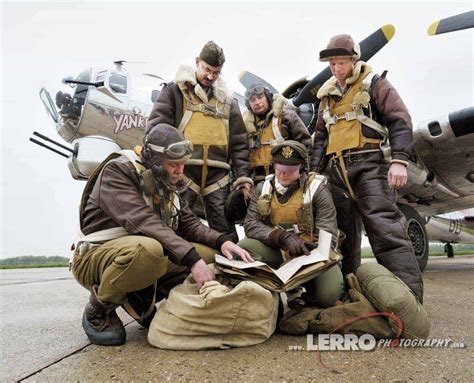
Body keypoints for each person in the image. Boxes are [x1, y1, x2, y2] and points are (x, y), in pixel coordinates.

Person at [71, 123, 252, 346]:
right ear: (154, 161)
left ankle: (140, 297)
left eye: (182, 164)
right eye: (173, 164)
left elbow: (189, 224)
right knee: (151, 251)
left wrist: (223, 241)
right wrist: (191, 259)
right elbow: (144, 222)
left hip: (134, 253)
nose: (180, 171)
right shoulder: (117, 171)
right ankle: (99, 309)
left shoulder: (166, 181)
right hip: (96, 257)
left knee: (212, 255)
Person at [310, 34, 423, 302]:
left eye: (341, 63)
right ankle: (352, 297)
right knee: (342, 237)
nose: (336, 69)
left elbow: (399, 120)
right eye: (332, 64)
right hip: (337, 172)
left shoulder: (374, 84)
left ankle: (409, 302)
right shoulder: (326, 97)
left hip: (369, 166)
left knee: (386, 231)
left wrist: (398, 159)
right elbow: (320, 139)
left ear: (354, 59)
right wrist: (315, 172)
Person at [146, 41, 252, 239]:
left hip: (217, 178)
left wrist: (243, 178)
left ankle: (230, 269)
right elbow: (155, 130)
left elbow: (239, 145)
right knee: (174, 226)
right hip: (182, 172)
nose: (211, 77)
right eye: (207, 70)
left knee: (225, 231)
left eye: (217, 73)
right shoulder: (174, 92)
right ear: (197, 62)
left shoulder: (228, 102)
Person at [242, 140, 344, 307]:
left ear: (302, 168)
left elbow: (328, 232)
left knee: (328, 296)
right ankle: (268, 290)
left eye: (290, 171)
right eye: (279, 170)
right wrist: (282, 237)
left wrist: (307, 251)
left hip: (310, 254)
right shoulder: (262, 188)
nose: (283, 175)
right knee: (244, 247)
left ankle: (306, 288)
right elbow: (250, 224)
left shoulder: (318, 189)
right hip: (278, 249)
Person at [243, 83, 313, 183]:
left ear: (268, 97)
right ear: (248, 105)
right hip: (257, 182)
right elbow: (240, 156)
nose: (257, 102)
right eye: (252, 100)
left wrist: (305, 173)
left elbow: (306, 146)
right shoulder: (245, 126)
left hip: (285, 180)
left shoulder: (288, 117)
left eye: (260, 97)